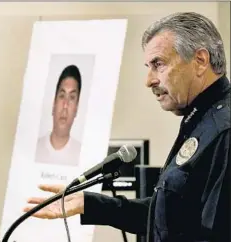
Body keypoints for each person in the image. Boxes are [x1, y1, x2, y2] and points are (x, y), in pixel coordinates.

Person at [24, 12, 230, 242]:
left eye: (158, 64)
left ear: (200, 61)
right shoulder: (200, 119)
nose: (149, 80)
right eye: (148, 66)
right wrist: (90, 204)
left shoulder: (224, 131)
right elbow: (169, 216)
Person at [35, 65, 82, 166]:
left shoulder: (82, 155)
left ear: (76, 109)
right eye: (62, 96)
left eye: (72, 97)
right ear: (54, 104)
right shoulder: (34, 149)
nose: (65, 105)